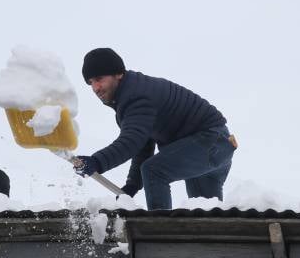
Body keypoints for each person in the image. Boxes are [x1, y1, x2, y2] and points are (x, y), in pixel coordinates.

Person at [71, 48, 236, 210]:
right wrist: (133, 185)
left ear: (118, 74)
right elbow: (143, 145)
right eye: (91, 82)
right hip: (215, 146)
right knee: (205, 220)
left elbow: (131, 141)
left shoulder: (136, 96)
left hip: (209, 142)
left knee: (154, 171)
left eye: (99, 79)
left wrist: (97, 162)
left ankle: (158, 232)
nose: (95, 88)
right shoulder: (133, 93)